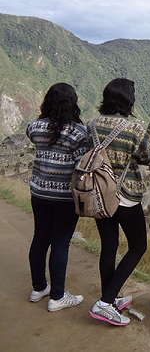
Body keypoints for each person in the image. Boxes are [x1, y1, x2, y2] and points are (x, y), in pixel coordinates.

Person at [87, 78, 150, 326]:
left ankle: (110, 299)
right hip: (124, 197)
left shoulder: (91, 125)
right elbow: (146, 157)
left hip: (99, 196)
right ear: (129, 101)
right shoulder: (133, 129)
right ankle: (105, 302)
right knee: (138, 247)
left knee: (109, 246)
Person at [26, 83, 87, 312]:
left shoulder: (35, 127)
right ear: (72, 103)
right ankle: (58, 296)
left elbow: (33, 135)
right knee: (61, 243)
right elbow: (82, 164)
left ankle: (39, 287)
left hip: (39, 192)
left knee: (40, 238)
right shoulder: (78, 133)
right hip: (64, 197)